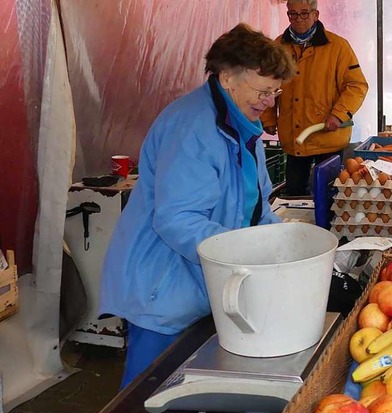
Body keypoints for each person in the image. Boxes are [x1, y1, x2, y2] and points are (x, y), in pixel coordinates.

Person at [99, 23, 296, 389]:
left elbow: (254, 207)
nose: (269, 101)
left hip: (201, 282)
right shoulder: (193, 127)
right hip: (163, 287)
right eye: (263, 90)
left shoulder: (242, 125)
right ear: (227, 77)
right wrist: (246, 254)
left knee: (185, 392)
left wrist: (283, 246)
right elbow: (177, 219)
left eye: (275, 91)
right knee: (146, 397)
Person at [261, 0, 369, 196]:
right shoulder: (277, 47)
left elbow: (356, 85)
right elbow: (267, 85)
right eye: (293, 14)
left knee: (329, 197)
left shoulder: (338, 47)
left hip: (328, 137)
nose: (298, 19)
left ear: (316, 14)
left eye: (304, 13)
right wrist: (268, 117)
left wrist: (338, 115)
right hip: (295, 139)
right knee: (294, 194)